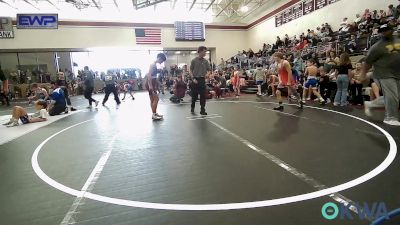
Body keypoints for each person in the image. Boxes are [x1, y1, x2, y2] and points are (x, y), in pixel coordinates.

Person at [362, 24, 400, 126]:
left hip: (397, 73)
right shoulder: (377, 47)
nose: (384, 32)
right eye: (382, 31)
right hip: (383, 73)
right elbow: (367, 62)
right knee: (392, 96)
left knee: (395, 97)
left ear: (392, 30)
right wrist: (363, 75)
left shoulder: (398, 40)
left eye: (386, 30)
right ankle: (390, 117)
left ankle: (370, 104)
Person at [190, 46, 211, 115]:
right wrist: (193, 78)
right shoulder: (194, 61)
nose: (205, 53)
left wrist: (207, 74)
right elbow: (190, 70)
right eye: (204, 51)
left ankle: (202, 110)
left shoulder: (205, 61)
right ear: (200, 51)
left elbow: (209, 70)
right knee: (194, 96)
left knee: (203, 96)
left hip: (202, 79)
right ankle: (192, 107)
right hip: (195, 79)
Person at [145, 53, 167, 120]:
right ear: (159, 58)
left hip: (152, 83)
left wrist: (160, 84)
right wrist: (150, 86)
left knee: (152, 99)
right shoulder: (152, 65)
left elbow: (154, 77)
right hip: (150, 83)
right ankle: (154, 114)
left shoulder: (155, 65)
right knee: (156, 98)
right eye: (162, 61)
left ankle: (154, 113)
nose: (162, 62)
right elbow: (149, 75)